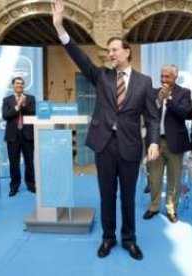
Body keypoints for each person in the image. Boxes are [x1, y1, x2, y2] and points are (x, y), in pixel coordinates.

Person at [52, 0, 160, 260]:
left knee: (128, 196)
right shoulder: (101, 76)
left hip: (131, 146)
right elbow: (79, 56)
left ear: (127, 52)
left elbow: (153, 117)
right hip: (104, 145)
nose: (110, 53)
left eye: (114, 49)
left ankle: (129, 239)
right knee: (107, 195)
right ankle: (108, 238)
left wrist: (154, 142)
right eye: (108, 50)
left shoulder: (144, 82)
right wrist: (59, 27)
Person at [143, 64, 191, 223]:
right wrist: (159, 100)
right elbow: (149, 115)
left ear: (175, 77)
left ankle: (171, 209)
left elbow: (184, 113)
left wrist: (169, 99)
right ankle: (154, 207)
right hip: (155, 142)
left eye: (167, 77)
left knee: (174, 178)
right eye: (162, 76)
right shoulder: (153, 93)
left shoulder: (184, 92)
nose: (163, 80)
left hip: (175, 142)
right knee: (155, 178)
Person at [2, 77, 36, 197]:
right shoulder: (7, 100)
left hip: (28, 135)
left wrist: (23, 103)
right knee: (14, 163)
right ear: (13, 86)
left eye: (22, 83)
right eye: (17, 83)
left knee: (29, 162)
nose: (20, 85)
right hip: (12, 136)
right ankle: (14, 186)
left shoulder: (31, 99)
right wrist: (17, 106)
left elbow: (33, 112)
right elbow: (6, 115)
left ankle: (31, 184)